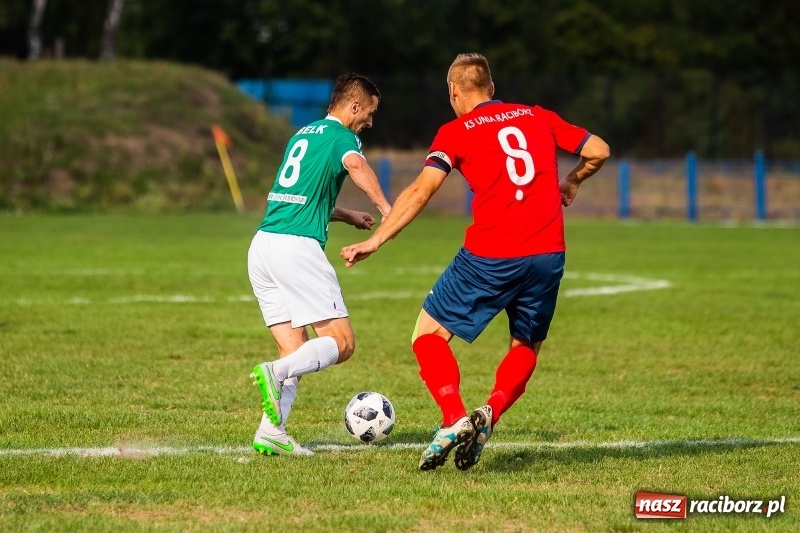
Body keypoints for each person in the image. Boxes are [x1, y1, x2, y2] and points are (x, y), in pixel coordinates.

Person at [340, 53, 610, 471]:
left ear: (453, 92)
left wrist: (377, 239)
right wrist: (572, 179)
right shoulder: (536, 115)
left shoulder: (456, 130)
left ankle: (453, 419)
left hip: (493, 252)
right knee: (525, 345)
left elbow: (421, 191)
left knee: (427, 333)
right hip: (548, 253)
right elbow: (599, 150)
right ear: (492, 88)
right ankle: (490, 414)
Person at [249, 73, 392, 456]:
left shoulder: (303, 134)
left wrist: (346, 216)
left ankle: (271, 431)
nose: (370, 122)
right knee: (342, 344)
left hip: (263, 247)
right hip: (296, 251)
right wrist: (387, 211)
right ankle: (274, 375)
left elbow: (300, 199)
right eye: (370, 113)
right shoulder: (344, 138)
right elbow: (357, 167)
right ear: (354, 106)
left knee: (293, 349)